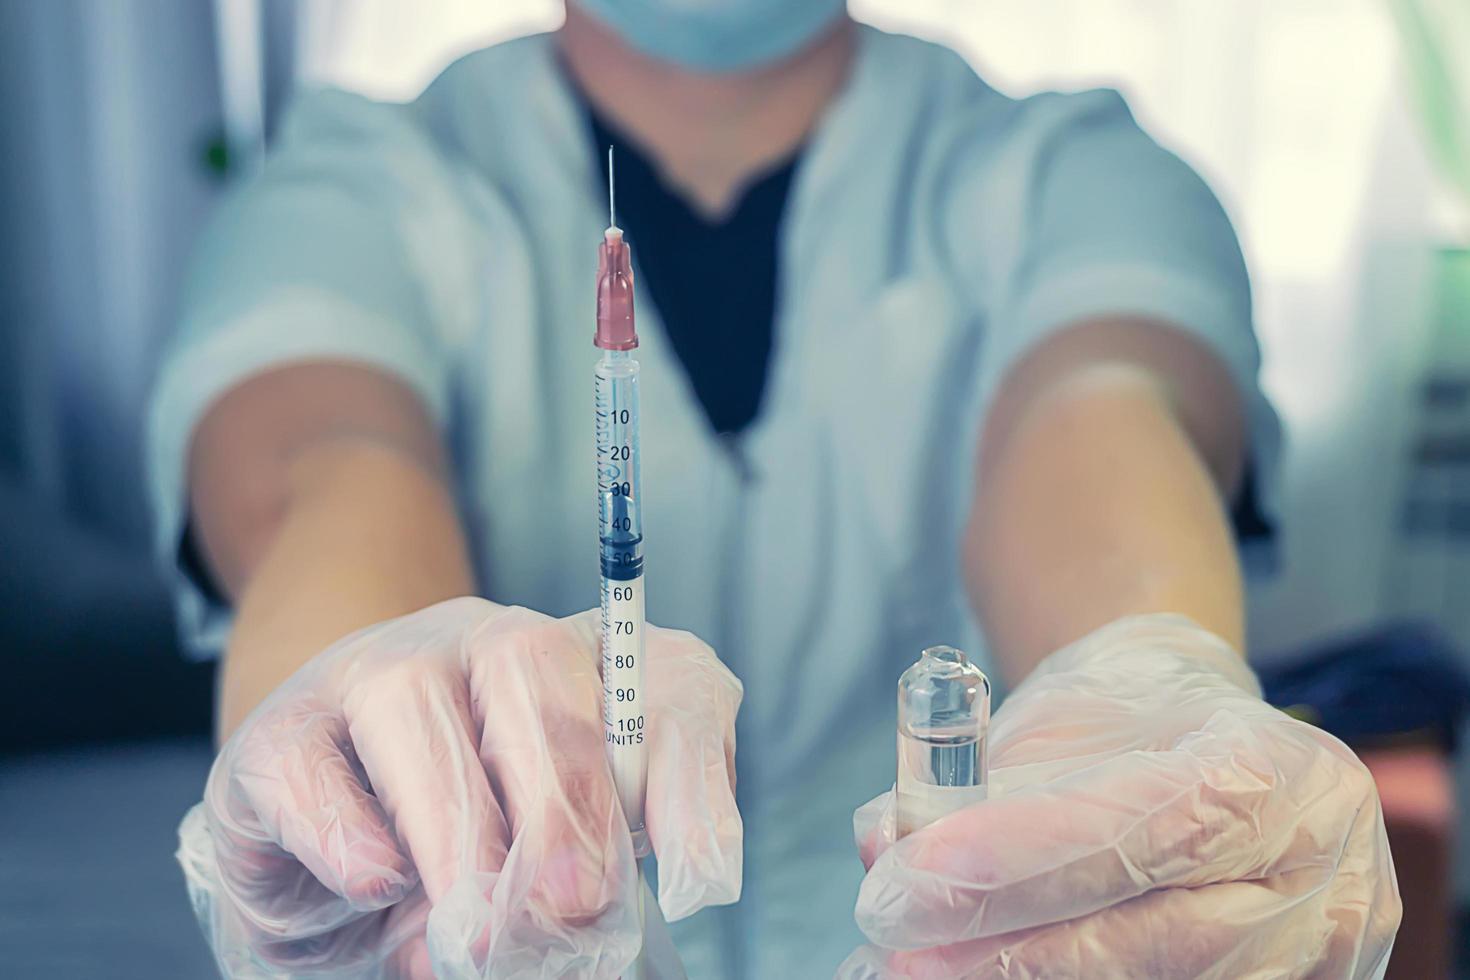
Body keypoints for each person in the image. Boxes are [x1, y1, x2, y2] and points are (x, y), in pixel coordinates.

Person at [151, 1, 1401, 977]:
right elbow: (326, 463)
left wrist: (1145, 667)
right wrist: (368, 698)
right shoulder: (351, 182)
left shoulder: (1072, 168)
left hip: (974, 945)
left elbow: (1102, 406)